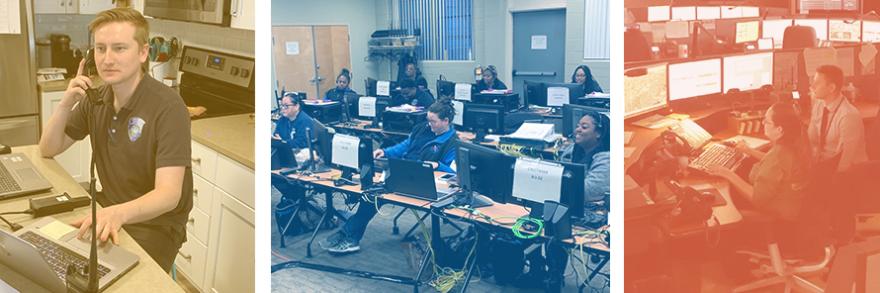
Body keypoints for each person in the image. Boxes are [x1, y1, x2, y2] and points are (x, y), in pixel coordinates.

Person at [39, 8, 192, 272]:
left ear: (143, 53)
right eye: (100, 49)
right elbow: (48, 148)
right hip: (108, 208)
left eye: (119, 48)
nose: (107, 59)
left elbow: (168, 195)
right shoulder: (96, 98)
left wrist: (117, 213)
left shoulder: (169, 107)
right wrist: (65, 104)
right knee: (54, 256)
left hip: (155, 224)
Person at [324, 98, 458, 254]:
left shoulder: (452, 142)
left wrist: (438, 166)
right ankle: (349, 233)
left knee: (373, 195)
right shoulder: (422, 128)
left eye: (433, 121)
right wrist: (386, 152)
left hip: (423, 183)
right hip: (403, 172)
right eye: (428, 120)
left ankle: (350, 235)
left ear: (446, 121)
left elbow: (452, 173)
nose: (429, 124)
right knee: (371, 193)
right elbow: (406, 146)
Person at [706, 102, 809, 224]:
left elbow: (756, 198)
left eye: (767, 121)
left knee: (719, 207)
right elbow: (775, 165)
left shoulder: (778, 156)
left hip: (775, 214)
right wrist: (748, 151)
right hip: (792, 207)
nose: (763, 123)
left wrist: (726, 173)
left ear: (779, 129)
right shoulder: (793, 144)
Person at [806, 65, 867, 172]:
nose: (812, 86)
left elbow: (844, 161)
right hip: (825, 165)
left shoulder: (848, 116)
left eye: (817, 83)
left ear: (831, 88)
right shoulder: (819, 105)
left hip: (849, 173)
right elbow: (813, 141)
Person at [560, 111, 610, 206]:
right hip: (571, 204)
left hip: (591, 211)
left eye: (584, 127)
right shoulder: (573, 149)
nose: (577, 130)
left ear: (599, 133)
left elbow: (586, 192)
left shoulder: (607, 160)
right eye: (577, 126)